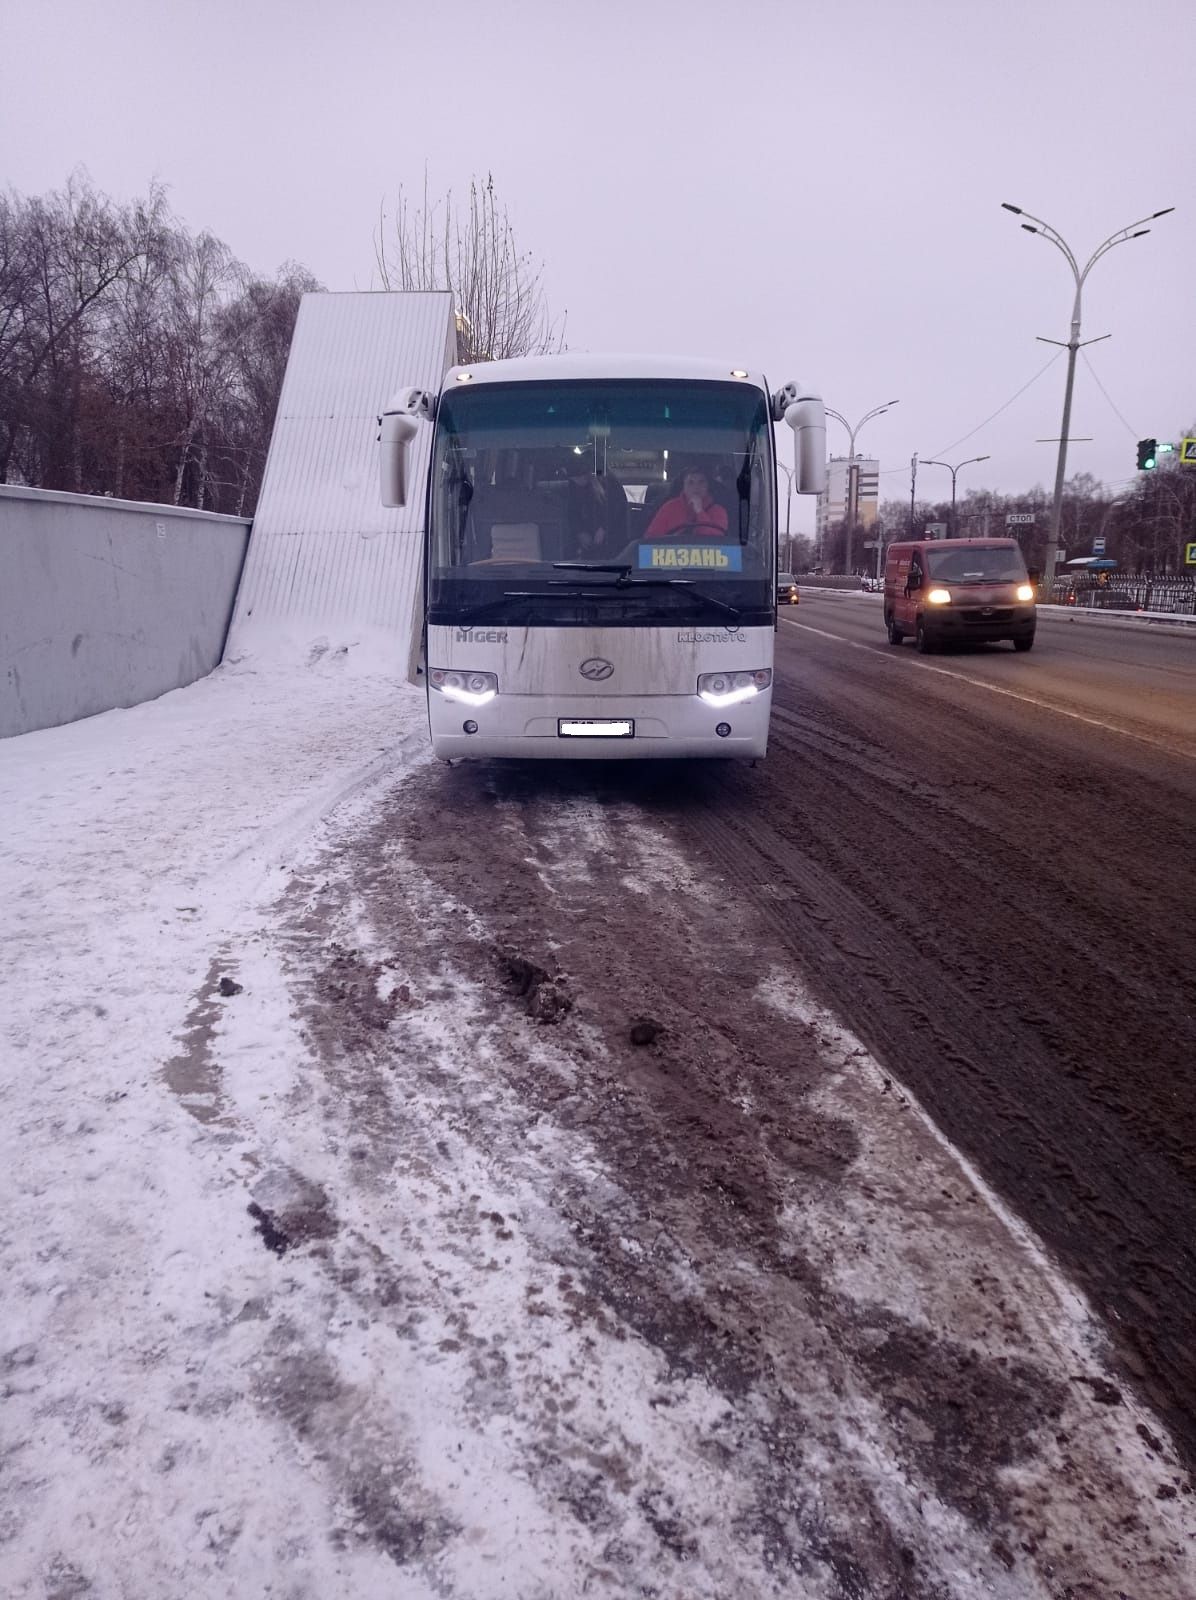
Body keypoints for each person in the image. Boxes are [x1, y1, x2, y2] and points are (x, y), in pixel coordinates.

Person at [643, 465, 729, 539]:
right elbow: (650, 538)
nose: (696, 487)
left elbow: (718, 542)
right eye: (690, 483)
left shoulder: (718, 511)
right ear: (683, 487)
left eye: (701, 482)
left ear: (708, 486)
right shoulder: (670, 507)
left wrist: (700, 512)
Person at [564, 459, 628, 556]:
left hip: (615, 550)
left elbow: (617, 510)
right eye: (574, 479)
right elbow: (572, 512)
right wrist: (580, 532)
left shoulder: (611, 485)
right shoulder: (575, 489)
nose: (577, 482)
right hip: (587, 550)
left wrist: (604, 528)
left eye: (577, 478)